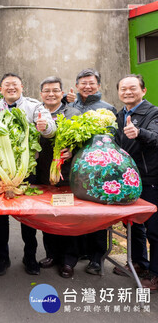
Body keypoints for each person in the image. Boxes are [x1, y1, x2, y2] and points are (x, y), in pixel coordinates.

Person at [0, 73, 56, 276]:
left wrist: (45, 128)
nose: (11, 88)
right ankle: (2, 257)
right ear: (1, 89)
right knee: (0, 217)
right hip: (1, 173)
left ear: (22, 87)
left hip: (26, 170)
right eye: (6, 85)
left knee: (28, 216)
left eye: (14, 85)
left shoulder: (34, 106)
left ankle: (30, 257)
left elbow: (50, 129)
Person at [65, 68, 117, 275]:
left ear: (98, 86)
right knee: (75, 213)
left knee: (97, 214)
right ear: (76, 86)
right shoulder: (70, 105)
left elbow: (113, 138)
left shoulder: (107, 108)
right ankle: (75, 253)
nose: (87, 86)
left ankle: (97, 257)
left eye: (91, 83)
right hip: (73, 168)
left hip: (98, 169)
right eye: (83, 83)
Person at [113, 74, 158, 291]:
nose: (128, 92)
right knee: (133, 224)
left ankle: (156, 274)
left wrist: (139, 132)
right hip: (128, 180)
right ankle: (139, 263)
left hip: (150, 179)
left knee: (155, 229)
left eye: (132, 88)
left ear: (143, 91)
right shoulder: (120, 114)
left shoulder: (153, 112)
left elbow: (156, 137)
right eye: (123, 89)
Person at [35, 76, 81, 278]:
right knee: (49, 216)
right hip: (42, 173)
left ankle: (68, 260)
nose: (51, 94)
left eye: (55, 90)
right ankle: (51, 254)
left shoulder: (72, 113)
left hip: (66, 174)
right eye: (46, 90)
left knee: (67, 218)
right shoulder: (36, 113)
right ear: (41, 94)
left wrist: (73, 151)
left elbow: (85, 141)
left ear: (62, 93)